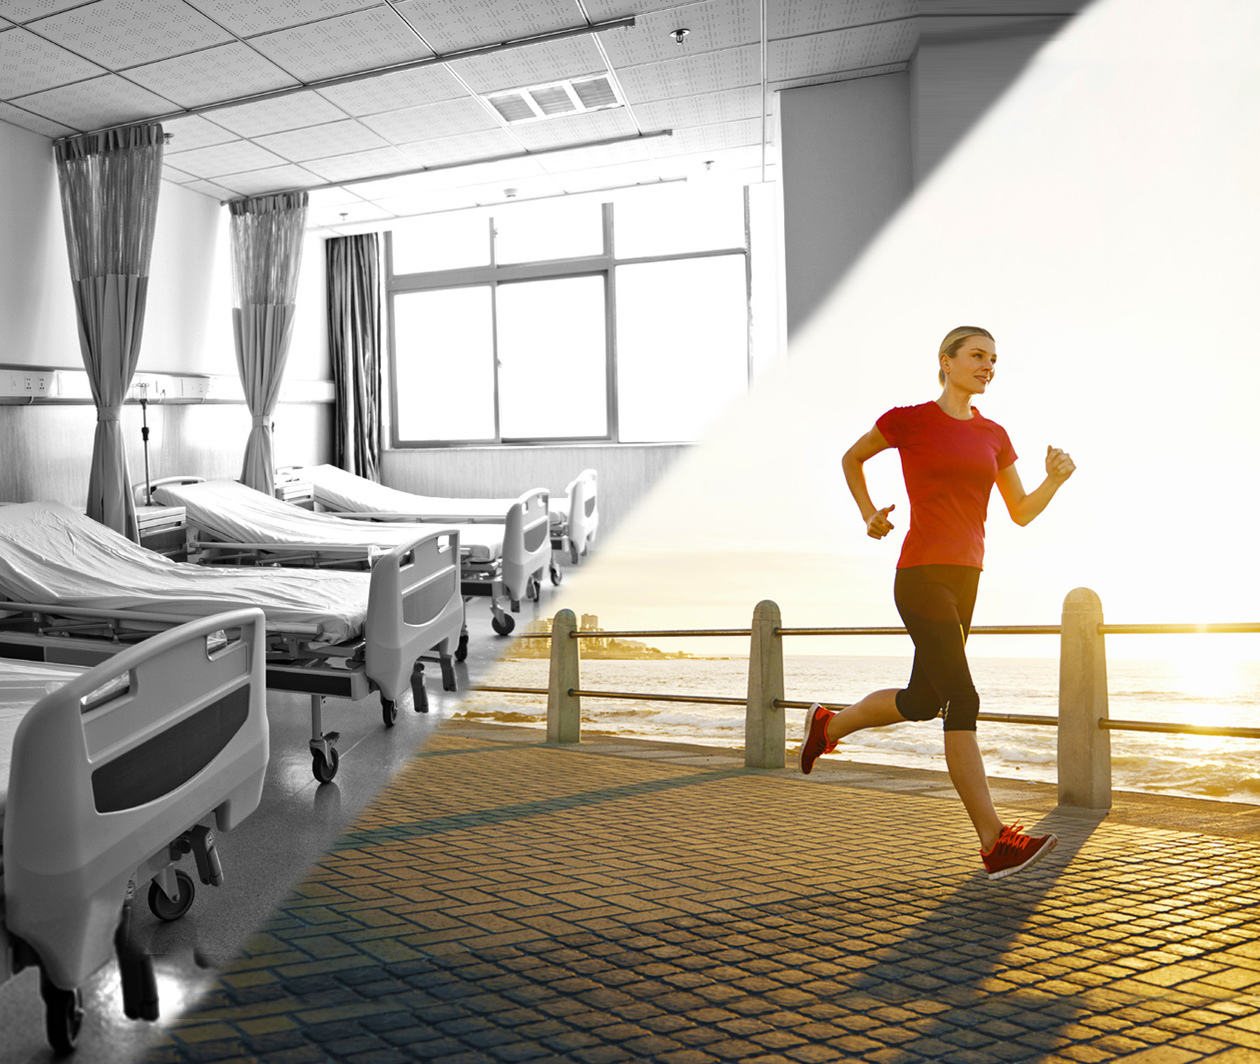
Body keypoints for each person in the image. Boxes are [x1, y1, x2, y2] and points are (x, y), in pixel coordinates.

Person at [800, 326, 1075, 880]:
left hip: (967, 578)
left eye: (994, 359)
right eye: (977, 356)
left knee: (924, 700)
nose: (988, 366)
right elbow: (852, 459)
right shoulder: (909, 420)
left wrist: (1055, 481)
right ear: (945, 362)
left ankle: (828, 726)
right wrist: (869, 514)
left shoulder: (995, 434)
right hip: (921, 575)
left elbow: (1019, 510)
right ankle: (995, 841)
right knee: (963, 698)